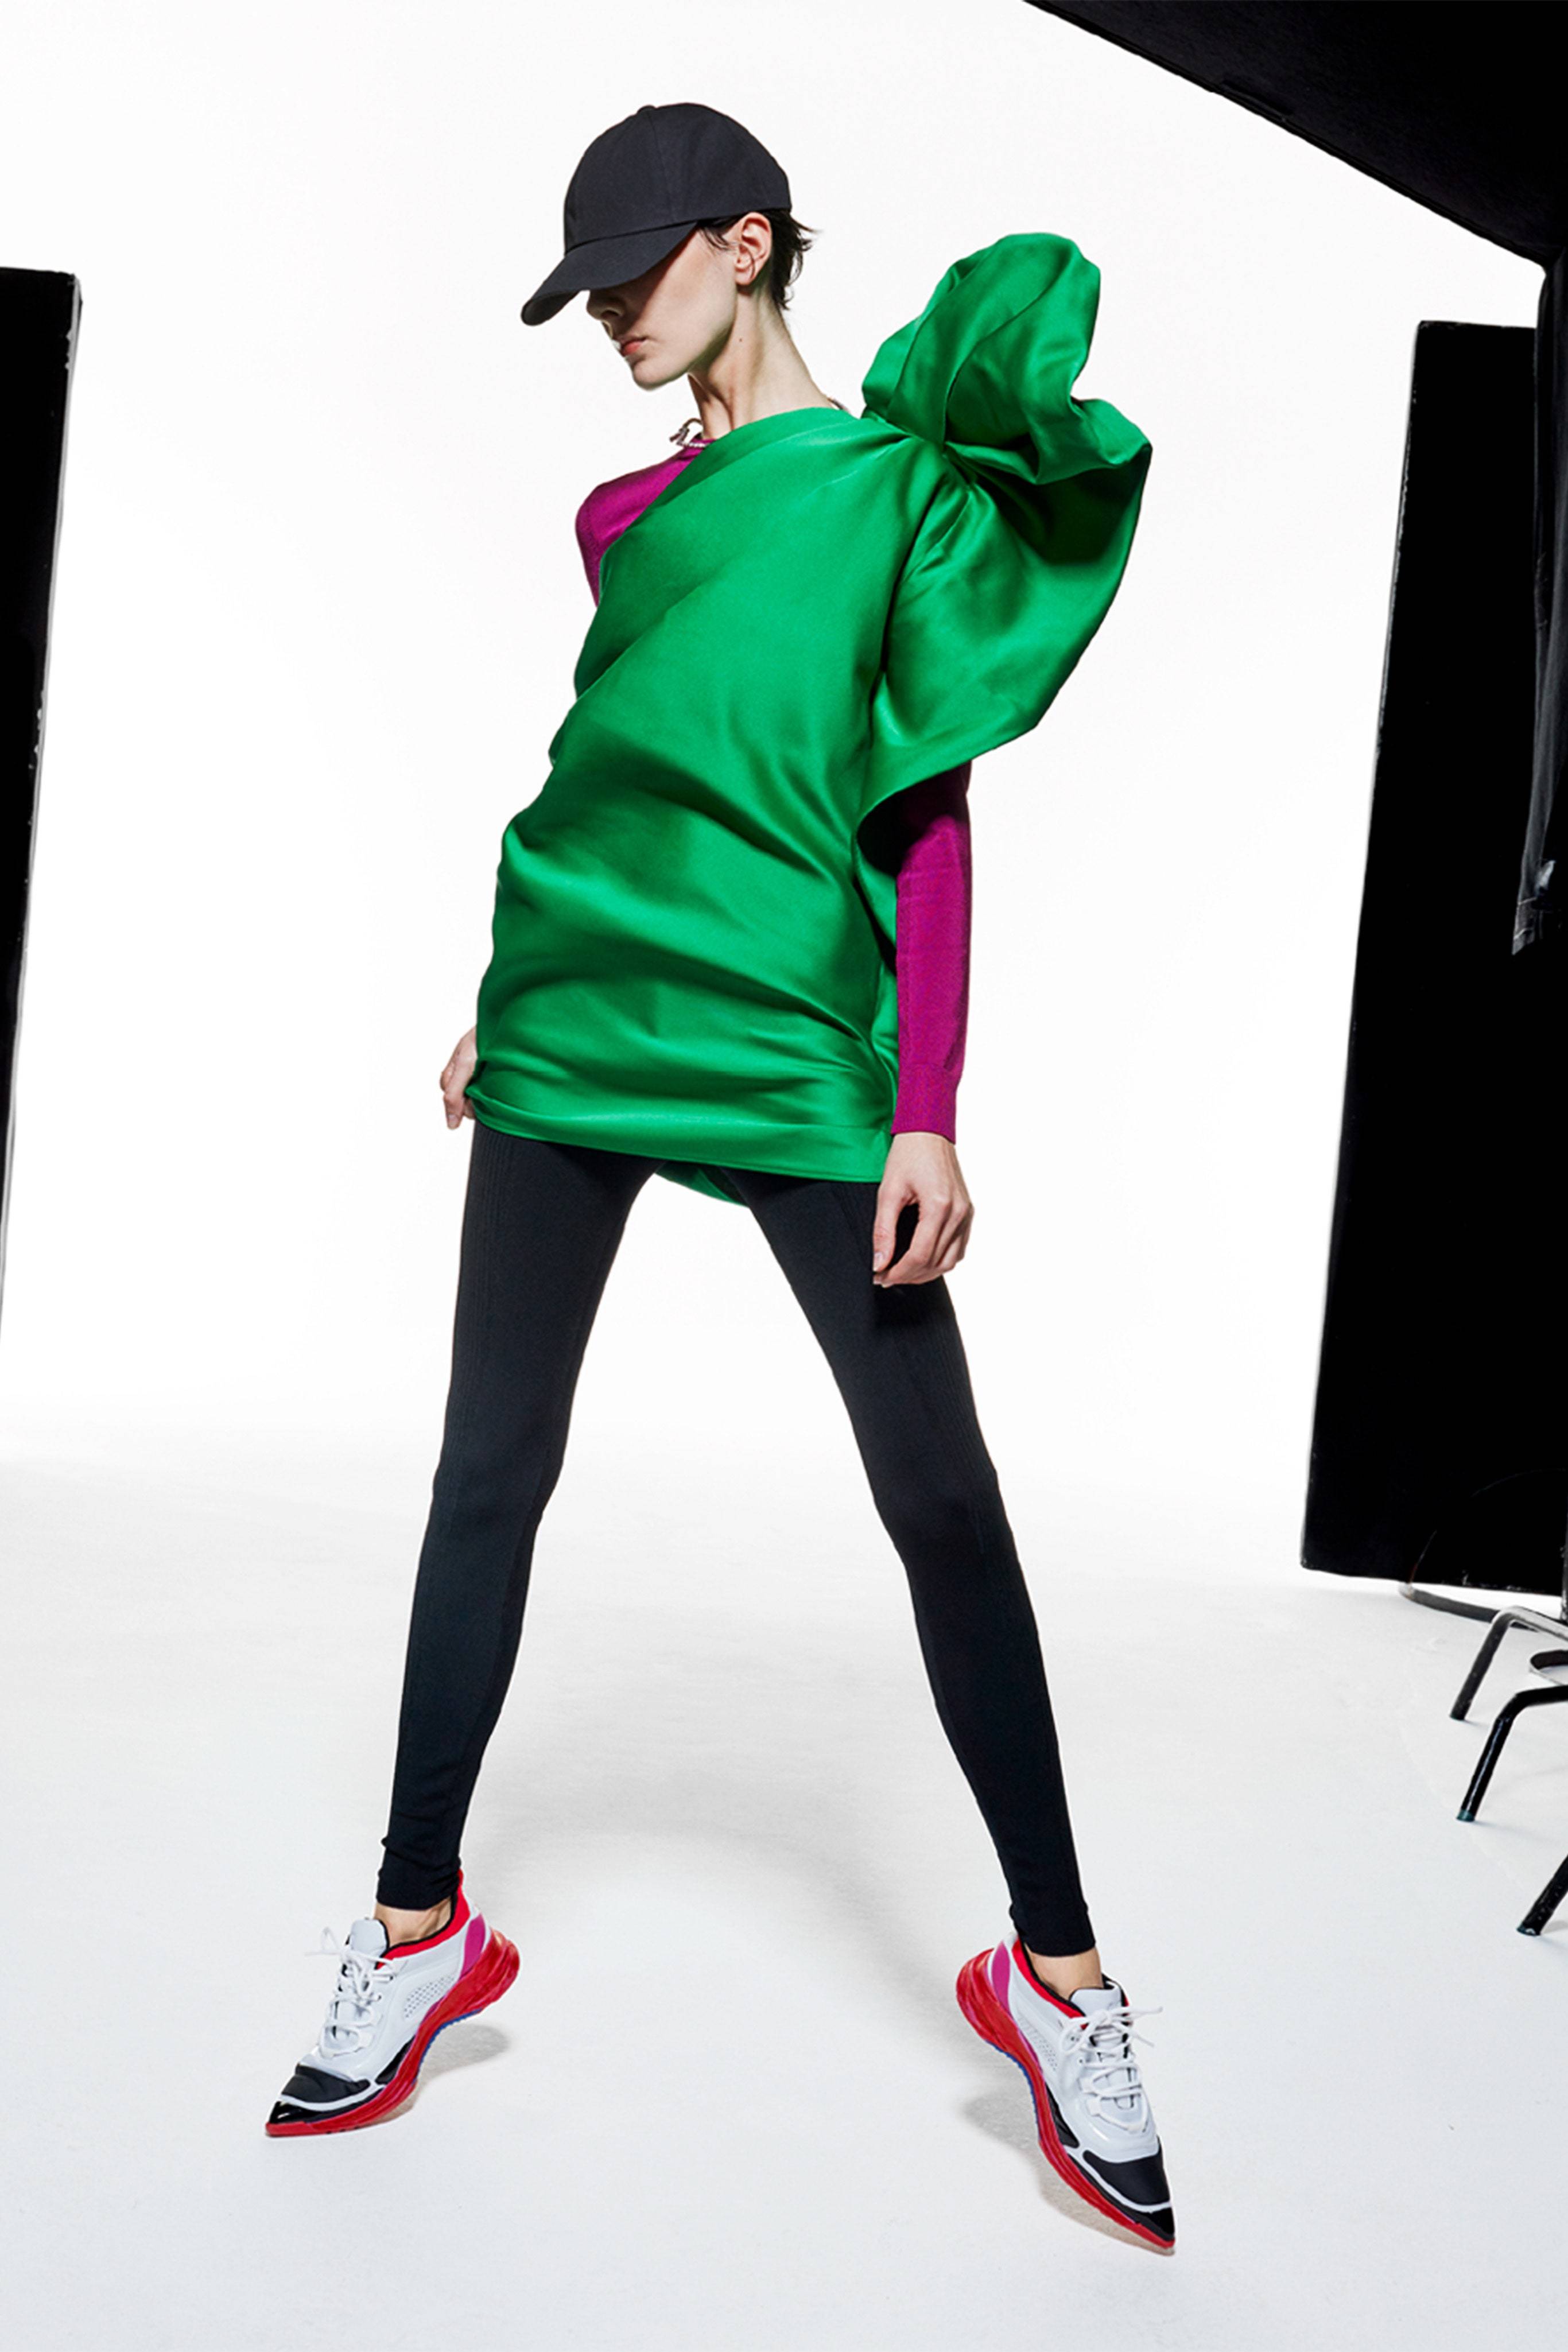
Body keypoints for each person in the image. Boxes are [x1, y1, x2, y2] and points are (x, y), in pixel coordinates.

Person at [266, 99, 1170, 2253]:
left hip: (789, 1043)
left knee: (939, 1497)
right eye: (584, 295)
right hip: (574, 1017)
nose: (607, 321)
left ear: (745, 245)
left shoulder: (889, 492)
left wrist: (923, 1101)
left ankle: (1059, 1980)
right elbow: (618, 769)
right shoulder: (619, 515)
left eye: (633, 277)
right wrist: (512, 988)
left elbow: (917, 814)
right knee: (487, 1471)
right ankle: (414, 1927)